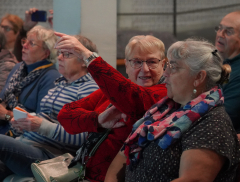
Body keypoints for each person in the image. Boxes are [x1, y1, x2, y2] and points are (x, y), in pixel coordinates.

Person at [105, 39, 240, 182]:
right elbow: (122, 158)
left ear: (198, 77)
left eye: (173, 67)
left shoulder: (212, 123)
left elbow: (193, 179)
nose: (166, 73)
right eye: (167, 66)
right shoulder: (163, 109)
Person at [56, 33, 167, 182]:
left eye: (152, 62)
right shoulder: (110, 91)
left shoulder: (164, 93)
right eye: (137, 62)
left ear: (163, 64)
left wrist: (88, 56)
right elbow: (65, 114)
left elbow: (134, 98)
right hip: (82, 173)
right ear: (126, 65)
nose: (145, 69)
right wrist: (98, 121)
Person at [0, 34, 99, 180]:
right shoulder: (60, 84)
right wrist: (23, 123)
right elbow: (45, 118)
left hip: (52, 155)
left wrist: (41, 126)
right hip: (28, 142)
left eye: (67, 54)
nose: (59, 58)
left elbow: (86, 137)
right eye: (59, 53)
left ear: (84, 60)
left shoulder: (89, 89)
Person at [0, 25, 60, 134]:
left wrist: (7, 115)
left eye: (31, 43)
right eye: (25, 41)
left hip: (24, 137)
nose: (24, 46)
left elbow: (40, 123)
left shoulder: (51, 78)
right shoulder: (18, 68)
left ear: (46, 53)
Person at [215, 11, 240, 132]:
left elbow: (225, 119)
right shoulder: (220, 61)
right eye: (219, 28)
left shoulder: (237, 74)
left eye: (228, 32)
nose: (220, 34)